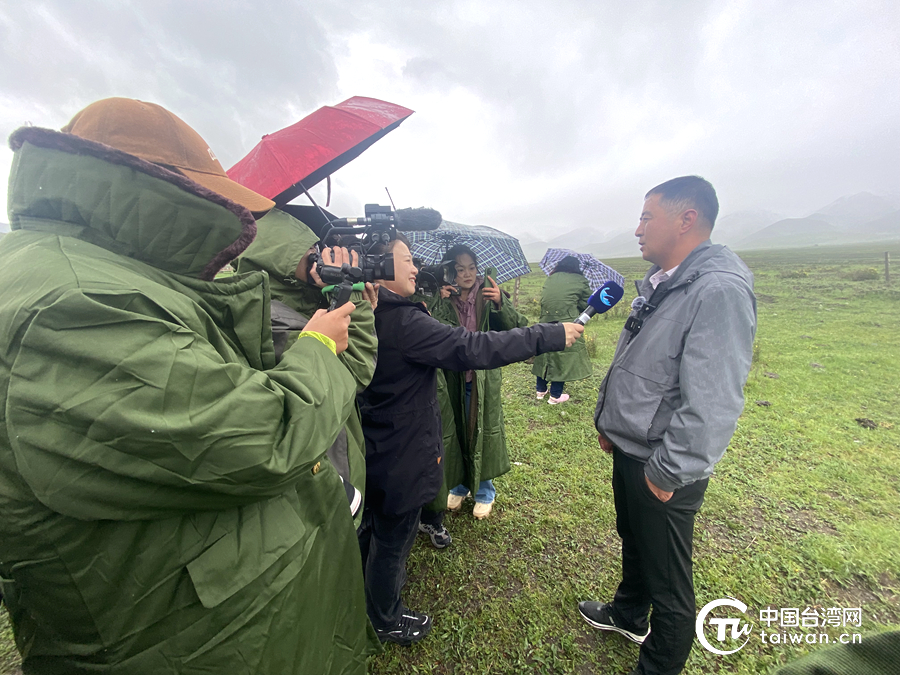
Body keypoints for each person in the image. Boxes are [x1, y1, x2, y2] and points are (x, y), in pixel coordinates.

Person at [0, 98, 378, 674]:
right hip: (184, 640)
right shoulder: (76, 302)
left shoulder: (85, 268)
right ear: (156, 190)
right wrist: (319, 346)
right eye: (210, 198)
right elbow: (260, 439)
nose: (223, 217)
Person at [358, 235, 583, 645]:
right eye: (406, 260)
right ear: (378, 268)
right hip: (402, 451)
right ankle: (385, 619)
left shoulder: (363, 312)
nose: (414, 268)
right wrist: (547, 335)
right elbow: (471, 345)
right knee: (392, 541)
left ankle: (362, 598)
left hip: (374, 444)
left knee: (372, 529)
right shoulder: (405, 321)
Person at [579, 176, 757, 675]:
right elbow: (636, 360)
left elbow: (714, 399)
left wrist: (668, 471)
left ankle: (657, 666)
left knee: (670, 582)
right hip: (633, 445)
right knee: (633, 538)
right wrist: (610, 422)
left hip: (663, 463)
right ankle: (628, 614)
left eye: (646, 217)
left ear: (687, 219)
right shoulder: (663, 283)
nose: (637, 230)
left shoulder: (717, 291)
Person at [237, 207, 379, 526]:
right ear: (279, 260)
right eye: (312, 254)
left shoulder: (291, 305)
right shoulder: (272, 321)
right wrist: (352, 296)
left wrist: (358, 305)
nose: (322, 260)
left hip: (325, 458)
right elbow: (353, 372)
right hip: (316, 481)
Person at [418, 245, 530, 547]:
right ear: (450, 272)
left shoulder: (490, 293)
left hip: (482, 379)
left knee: (481, 431)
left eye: (470, 267)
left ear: (478, 268)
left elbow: (517, 327)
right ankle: (459, 485)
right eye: (458, 269)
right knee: (454, 430)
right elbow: (434, 332)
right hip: (453, 377)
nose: (465, 274)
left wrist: (499, 306)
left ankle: (484, 491)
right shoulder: (445, 297)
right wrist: (437, 303)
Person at [531, 255, 593, 404]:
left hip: (545, 321)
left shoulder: (550, 278)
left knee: (544, 354)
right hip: (566, 322)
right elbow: (588, 304)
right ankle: (555, 396)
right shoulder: (581, 280)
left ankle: (540, 390)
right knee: (562, 356)